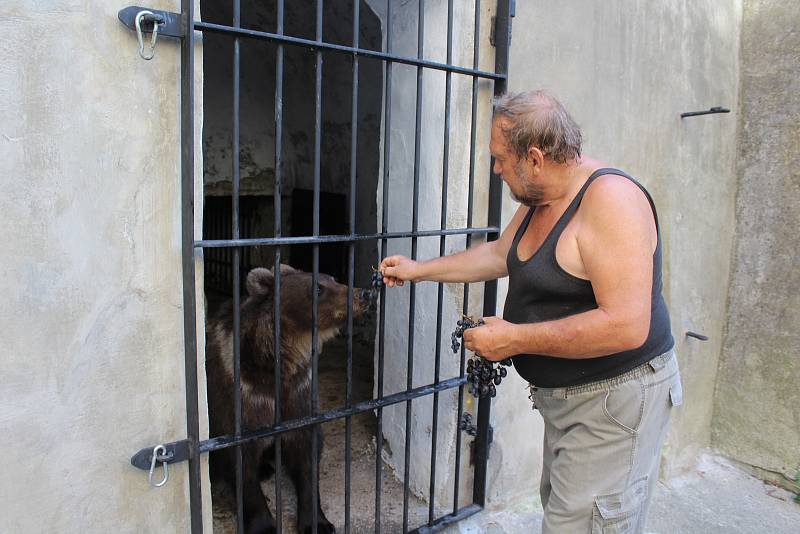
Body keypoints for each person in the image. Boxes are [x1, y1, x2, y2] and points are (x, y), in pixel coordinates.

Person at [379, 90, 682, 533]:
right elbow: (501, 254)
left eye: (501, 159)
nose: (497, 169)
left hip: (615, 400)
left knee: (584, 525)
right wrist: (419, 271)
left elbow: (627, 326)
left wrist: (515, 338)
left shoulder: (612, 203)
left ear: (535, 158)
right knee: (565, 514)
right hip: (568, 401)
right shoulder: (540, 199)